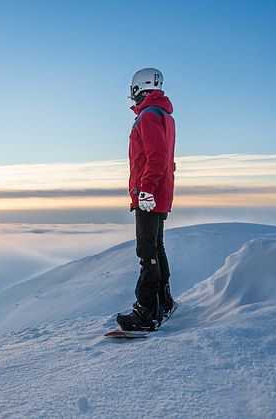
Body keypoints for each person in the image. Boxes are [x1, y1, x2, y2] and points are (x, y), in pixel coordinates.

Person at [116, 67, 177, 331]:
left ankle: (146, 312)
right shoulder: (163, 115)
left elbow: (157, 157)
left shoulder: (149, 116)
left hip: (149, 195)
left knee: (147, 251)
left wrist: (146, 190)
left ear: (139, 87)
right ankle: (163, 302)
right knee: (156, 246)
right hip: (158, 192)